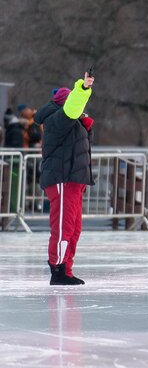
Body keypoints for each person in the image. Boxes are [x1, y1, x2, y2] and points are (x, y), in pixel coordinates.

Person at [33, 72, 96, 285]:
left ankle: (66, 269)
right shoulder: (58, 119)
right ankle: (57, 270)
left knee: (74, 228)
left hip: (74, 181)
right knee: (63, 227)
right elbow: (73, 107)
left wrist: (86, 125)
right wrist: (83, 88)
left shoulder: (74, 122)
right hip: (62, 178)